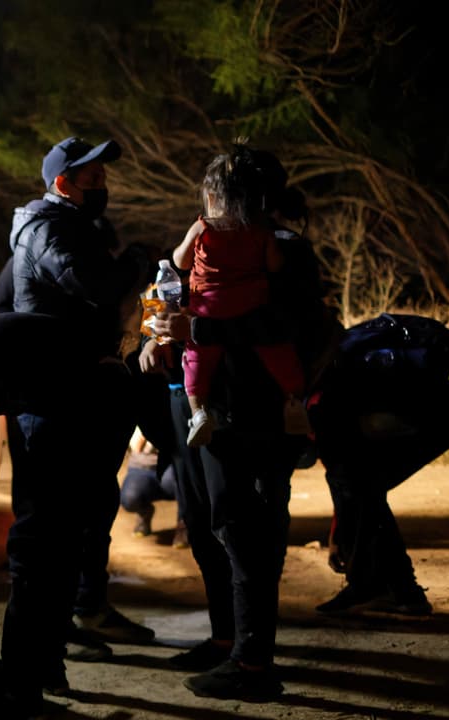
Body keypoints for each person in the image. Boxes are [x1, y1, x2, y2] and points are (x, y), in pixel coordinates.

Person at [148, 146, 340, 701]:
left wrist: (199, 333)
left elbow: (284, 325)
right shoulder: (209, 237)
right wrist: (154, 334)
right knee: (210, 522)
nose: (208, 201)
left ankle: (253, 663)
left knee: (245, 529)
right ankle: (227, 639)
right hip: (202, 403)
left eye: (216, 192)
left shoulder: (283, 248)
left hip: (252, 411)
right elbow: (171, 289)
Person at [5, 136, 152, 712]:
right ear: (63, 183)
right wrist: (135, 263)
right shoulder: (47, 230)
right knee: (42, 544)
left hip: (76, 403)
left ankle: (46, 665)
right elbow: (97, 286)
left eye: (103, 177)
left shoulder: (72, 227)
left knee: (69, 540)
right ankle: (23, 680)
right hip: (51, 408)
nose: (102, 186)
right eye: (92, 178)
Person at [311, 329, 449, 616]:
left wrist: (339, 538)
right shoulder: (329, 374)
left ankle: (375, 587)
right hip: (446, 408)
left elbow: (342, 478)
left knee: (360, 486)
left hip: (434, 415)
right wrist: (339, 534)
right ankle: (399, 590)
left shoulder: (318, 402)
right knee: (364, 487)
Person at [171, 144, 310, 447]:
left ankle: (198, 412)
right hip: (253, 306)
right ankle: (294, 401)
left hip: (208, 309)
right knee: (279, 354)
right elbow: (275, 265)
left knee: (196, 360)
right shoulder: (260, 230)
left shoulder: (202, 227)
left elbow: (180, 260)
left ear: (210, 198)